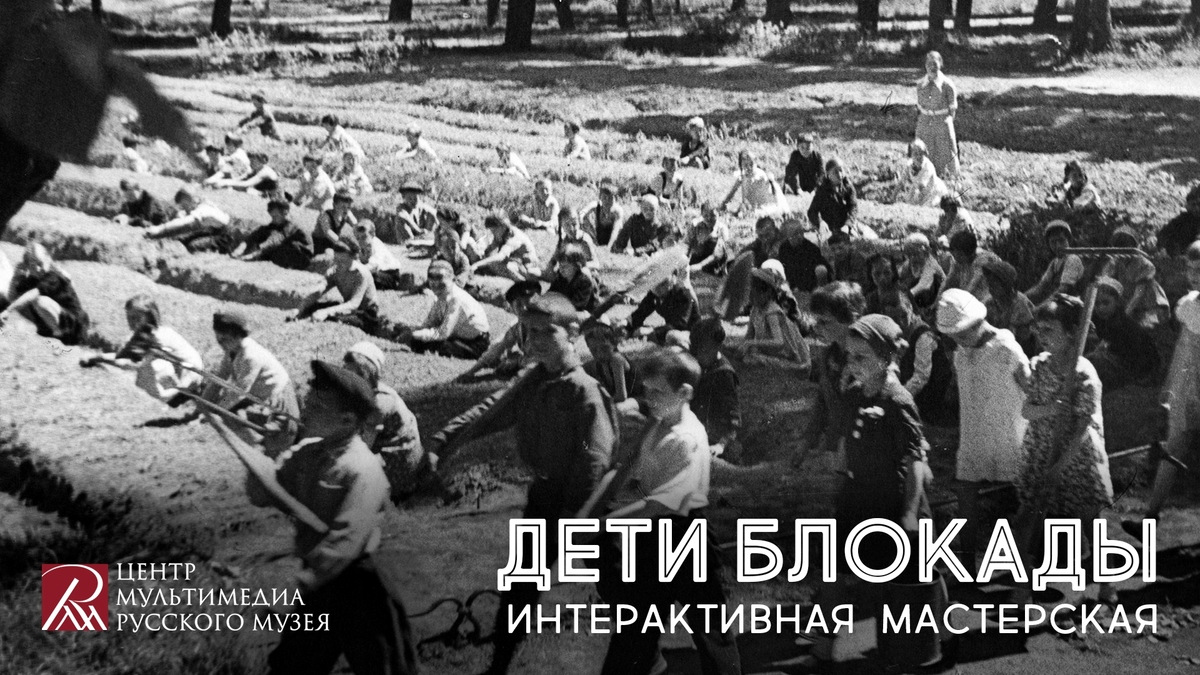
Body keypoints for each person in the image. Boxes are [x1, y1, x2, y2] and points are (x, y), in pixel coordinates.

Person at [424, 292, 617, 675]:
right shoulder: (534, 380)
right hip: (545, 498)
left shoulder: (584, 390)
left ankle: (653, 653)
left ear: (572, 333)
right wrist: (440, 442)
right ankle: (500, 664)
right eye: (529, 331)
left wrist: (575, 516)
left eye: (547, 331)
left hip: (585, 506)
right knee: (522, 586)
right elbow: (491, 411)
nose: (535, 340)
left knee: (619, 585)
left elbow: (596, 457)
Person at [246, 360, 418, 675]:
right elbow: (262, 494)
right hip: (321, 584)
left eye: (317, 406)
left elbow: (347, 538)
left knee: (385, 667)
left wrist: (303, 582)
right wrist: (268, 449)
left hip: (361, 586)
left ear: (347, 420)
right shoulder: (308, 454)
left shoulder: (363, 468)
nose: (305, 410)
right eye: (308, 402)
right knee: (291, 667)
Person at [595, 349, 743, 675]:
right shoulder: (660, 422)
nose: (648, 398)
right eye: (646, 389)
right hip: (653, 536)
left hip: (686, 537)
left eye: (657, 391)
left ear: (684, 393)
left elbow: (659, 504)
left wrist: (604, 524)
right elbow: (637, 472)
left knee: (709, 625)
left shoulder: (686, 438)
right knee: (637, 622)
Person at [1015, 296, 1114, 602]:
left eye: (1049, 329)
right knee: (1025, 519)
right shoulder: (1039, 366)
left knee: (1089, 521)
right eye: (1039, 329)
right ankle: (1022, 590)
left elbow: (1084, 427)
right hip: (1041, 451)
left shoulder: (1083, 374)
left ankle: (1107, 585)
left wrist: (1060, 466)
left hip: (1075, 457)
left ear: (1072, 332)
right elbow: (1027, 410)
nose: (1041, 335)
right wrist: (1051, 409)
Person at [936, 289, 1030, 574]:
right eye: (953, 335)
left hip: (1008, 436)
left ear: (977, 321)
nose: (958, 339)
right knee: (966, 496)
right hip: (973, 436)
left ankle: (1024, 564)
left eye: (962, 332)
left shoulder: (1007, 348)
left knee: (1018, 500)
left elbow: (1030, 388)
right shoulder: (961, 353)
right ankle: (966, 565)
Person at [1122, 241, 1200, 540]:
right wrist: (1171, 386)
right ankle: (1150, 519)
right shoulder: (1190, 305)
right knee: (1173, 449)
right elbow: (1183, 349)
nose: (1194, 276)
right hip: (1189, 386)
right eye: (1190, 269)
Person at [202, 310, 301, 456]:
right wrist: (204, 402)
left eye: (224, 339)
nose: (221, 343)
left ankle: (258, 452)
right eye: (218, 339)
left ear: (237, 336)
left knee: (275, 447)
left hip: (280, 406)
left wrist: (216, 409)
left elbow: (239, 392)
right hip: (260, 399)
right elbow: (220, 377)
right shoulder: (232, 351)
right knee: (228, 415)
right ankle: (254, 447)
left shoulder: (250, 356)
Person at [79, 294, 204, 404]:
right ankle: (182, 395)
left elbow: (127, 363)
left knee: (143, 372)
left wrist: (98, 357)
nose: (132, 322)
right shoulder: (160, 331)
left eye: (137, 318)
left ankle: (171, 398)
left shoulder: (153, 337)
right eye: (129, 318)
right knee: (150, 365)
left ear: (150, 317)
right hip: (192, 373)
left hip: (189, 377)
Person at [341, 342, 425, 504]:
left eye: (352, 374)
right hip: (384, 452)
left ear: (366, 375)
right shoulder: (364, 394)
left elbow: (362, 448)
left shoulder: (379, 402)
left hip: (397, 465)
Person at [806, 281, 866, 457]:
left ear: (850, 319)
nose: (817, 327)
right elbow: (823, 402)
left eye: (824, 322)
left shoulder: (866, 359)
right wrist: (807, 441)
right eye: (817, 321)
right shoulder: (830, 354)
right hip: (837, 441)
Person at [879, 289, 953, 425]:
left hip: (931, 394)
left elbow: (921, 377)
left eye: (903, 315)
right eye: (894, 319)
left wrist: (898, 396)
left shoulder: (923, 335)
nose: (900, 322)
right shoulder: (892, 332)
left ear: (911, 308)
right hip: (910, 389)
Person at [293, 238, 386, 337]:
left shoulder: (360, 274)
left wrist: (326, 312)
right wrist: (300, 308)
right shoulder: (335, 270)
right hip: (349, 307)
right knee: (314, 307)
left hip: (366, 312)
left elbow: (354, 304)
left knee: (333, 319)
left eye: (343, 261)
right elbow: (319, 291)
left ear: (353, 258)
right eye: (336, 260)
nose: (338, 264)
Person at [0, 242, 89, 345]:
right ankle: (52, 332)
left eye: (40, 263)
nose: (38, 269)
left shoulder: (54, 276)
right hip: (54, 322)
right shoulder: (33, 278)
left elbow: (33, 294)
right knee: (21, 300)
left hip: (74, 327)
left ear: (47, 259)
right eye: (33, 266)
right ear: (27, 266)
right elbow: (13, 297)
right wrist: (16, 276)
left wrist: (8, 310)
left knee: (38, 300)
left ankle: (58, 335)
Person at [733, 259, 810, 373]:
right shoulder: (755, 310)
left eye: (754, 295)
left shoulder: (772, 312)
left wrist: (751, 343)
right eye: (749, 295)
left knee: (752, 360)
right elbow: (749, 336)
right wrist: (741, 347)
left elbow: (779, 342)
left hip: (795, 361)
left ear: (767, 293)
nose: (751, 299)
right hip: (775, 355)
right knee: (731, 351)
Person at [457, 280, 541, 381]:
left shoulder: (548, 325)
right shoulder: (518, 328)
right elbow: (497, 348)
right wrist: (470, 372)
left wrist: (518, 361)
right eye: (518, 304)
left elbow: (545, 359)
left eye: (529, 302)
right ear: (512, 308)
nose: (524, 308)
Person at [1087, 277, 1160, 390]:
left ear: (1117, 302)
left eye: (1106, 303)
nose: (1100, 308)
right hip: (1122, 358)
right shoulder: (1102, 318)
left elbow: (1106, 346)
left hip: (1137, 367)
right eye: (1097, 304)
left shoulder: (1120, 322)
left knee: (1094, 360)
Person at [410, 260, 491, 359]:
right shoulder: (441, 296)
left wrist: (415, 334)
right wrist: (413, 331)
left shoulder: (456, 299)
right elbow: (431, 323)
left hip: (474, 343)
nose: (435, 282)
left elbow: (443, 333)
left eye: (440, 277)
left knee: (422, 344)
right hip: (456, 337)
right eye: (431, 276)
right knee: (419, 340)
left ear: (452, 278)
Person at [689, 317, 741, 461]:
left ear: (718, 347)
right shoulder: (698, 362)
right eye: (696, 351)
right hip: (695, 428)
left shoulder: (724, 375)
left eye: (705, 351)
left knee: (730, 453)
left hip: (717, 436)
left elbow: (733, 416)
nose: (699, 356)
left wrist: (721, 445)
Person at [1103, 227, 1169, 328]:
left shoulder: (1144, 264)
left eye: (1125, 244)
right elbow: (1104, 283)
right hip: (1132, 308)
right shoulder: (1115, 263)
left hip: (1151, 309)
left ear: (1133, 246)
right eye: (1118, 244)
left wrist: (1123, 317)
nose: (1121, 249)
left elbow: (1139, 294)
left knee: (1139, 329)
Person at [144, 187, 235, 254]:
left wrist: (159, 228)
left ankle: (219, 254)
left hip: (226, 236)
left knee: (193, 246)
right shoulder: (202, 203)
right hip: (216, 230)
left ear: (190, 201)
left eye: (184, 206)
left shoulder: (203, 209)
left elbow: (184, 222)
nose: (184, 210)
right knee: (185, 239)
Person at [231, 198, 315, 271]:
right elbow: (257, 233)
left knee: (276, 248)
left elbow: (275, 241)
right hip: (287, 250)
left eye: (275, 216)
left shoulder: (292, 224)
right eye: (272, 216)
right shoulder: (279, 222)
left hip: (302, 256)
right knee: (264, 232)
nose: (273, 219)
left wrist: (254, 255)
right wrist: (241, 247)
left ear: (285, 213)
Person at [626, 266, 701, 343]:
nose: (657, 287)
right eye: (654, 282)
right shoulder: (654, 294)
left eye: (663, 283)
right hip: (672, 329)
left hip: (690, 333)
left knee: (671, 336)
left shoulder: (683, 295)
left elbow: (679, 324)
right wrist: (627, 325)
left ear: (674, 277)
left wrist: (652, 330)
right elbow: (640, 313)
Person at [915, 50, 960, 178]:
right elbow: (920, 107)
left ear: (940, 64)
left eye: (935, 64)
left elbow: (952, 110)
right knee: (923, 148)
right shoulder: (920, 85)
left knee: (945, 150)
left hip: (942, 121)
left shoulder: (947, 85)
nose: (932, 67)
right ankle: (924, 176)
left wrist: (944, 122)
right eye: (929, 64)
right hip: (924, 122)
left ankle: (950, 177)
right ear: (925, 65)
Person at [981, 258, 1036, 354]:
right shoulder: (989, 303)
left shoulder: (1020, 304)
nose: (990, 288)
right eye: (989, 284)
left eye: (994, 284)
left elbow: (1025, 340)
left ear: (1006, 285)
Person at [1026, 220, 1085, 306]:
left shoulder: (1072, 259)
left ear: (1069, 240)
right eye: (1053, 242)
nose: (1058, 246)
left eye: (1061, 240)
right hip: (1058, 303)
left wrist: (1040, 307)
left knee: (1048, 309)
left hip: (1072, 305)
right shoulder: (1054, 263)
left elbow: (1063, 290)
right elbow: (1041, 287)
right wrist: (1022, 297)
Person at [474, 213, 542, 282]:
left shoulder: (514, 237)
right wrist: (484, 254)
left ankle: (524, 282)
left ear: (502, 226)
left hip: (527, 266)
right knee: (490, 261)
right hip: (516, 261)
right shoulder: (503, 232)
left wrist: (477, 265)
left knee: (503, 266)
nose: (493, 233)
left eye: (494, 231)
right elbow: (492, 247)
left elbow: (500, 257)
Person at [775, 218, 829, 306]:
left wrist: (801, 288)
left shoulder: (811, 249)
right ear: (787, 236)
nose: (799, 236)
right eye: (795, 234)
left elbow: (811, 273)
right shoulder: (783, 249)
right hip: (793, 284)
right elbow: (786, 269)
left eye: (801, 232)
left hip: (810, 284)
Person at [583, 318, 638, 403]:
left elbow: (621, 396)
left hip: (637, 400)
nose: (600, 354)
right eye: (594, 351)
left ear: (614, 344)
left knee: (617, 408)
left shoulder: (616, 359)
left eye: (605, 348)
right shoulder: (599, 364)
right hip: (623, 402)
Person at [939, 229, 1001, 304]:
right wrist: (937, 298)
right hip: (972, 297)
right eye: (955, 255)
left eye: (959, 255)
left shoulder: (983, 259)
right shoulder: (958, 260)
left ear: (969, 253)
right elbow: (948, 280)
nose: (956, 258)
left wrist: (959, 303)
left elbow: (972, 285)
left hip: (990, 298)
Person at [719, 150, 788, 217]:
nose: (749, 167)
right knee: (741, 211)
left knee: (750, 213)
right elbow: (731, 193)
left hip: (765, 207)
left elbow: (775, 194)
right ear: (741, 166)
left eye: (751, 164)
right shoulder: (742, 177)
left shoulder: (762, 176)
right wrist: (723, 205)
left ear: (756, 163)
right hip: (750, 207)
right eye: (745, 165)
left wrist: (780, 207)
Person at [807, 157, 858, 236]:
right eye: (835, 172)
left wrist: (848, 224)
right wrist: (820, 222)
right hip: (828, 228)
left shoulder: (848, 188)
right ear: (828, 175)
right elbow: (812, 212)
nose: (839, 175)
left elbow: (853, 207)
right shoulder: (822, 190)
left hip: (845, 226)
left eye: (841, 170)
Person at [352, 219, 406, 291]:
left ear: (372, 235)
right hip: (375, 271)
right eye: (358, 238)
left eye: (364, 237)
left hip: (390, 273)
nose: (361, 241)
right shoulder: (362, 247)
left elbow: (374, 265)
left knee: (369, 277)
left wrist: (357, 271)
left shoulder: (376, 245)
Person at [896, 139, 949, 208]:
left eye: (921, 153)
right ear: (911, 154)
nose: (918, 156)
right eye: (915, 153)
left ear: (924, 154)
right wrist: (893, 197)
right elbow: (901, 182)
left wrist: (910, 202)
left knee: (925, 208)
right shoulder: (909, 165)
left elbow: (920, 187)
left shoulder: (928, 167)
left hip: (935, 193)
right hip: (922, 194)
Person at [899, 232, 944, 312]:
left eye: (917, 254)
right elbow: (899, 278)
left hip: (935, 300)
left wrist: (906, 297)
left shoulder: (931, 264)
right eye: (910, 254)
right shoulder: (909, 264)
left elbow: (923, 285)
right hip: (917, 298)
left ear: (926, 252)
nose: (913, 258)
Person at [547, 243, 599, 312]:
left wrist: (557, 306)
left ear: (576, 266)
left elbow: (578, 305)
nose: (561, 269)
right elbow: (551, 293)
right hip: (565, 309)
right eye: (560, 266)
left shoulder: (584, 281)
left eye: (565, 266)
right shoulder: (560, 278)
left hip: (584, 312)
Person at [686, 203, 732, 276]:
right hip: (698, 257)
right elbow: (688, 244)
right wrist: (685, 260)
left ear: (718, 214)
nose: (709, 218)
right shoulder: (696, 226)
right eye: (706, 215)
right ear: (702, 214)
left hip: (713, 261)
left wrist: (700, 265)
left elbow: (718, 253)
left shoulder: (722, 228)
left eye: (713, 215)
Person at [1155, 183, 1200, 258]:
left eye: (1199, 204)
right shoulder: (1184, 218)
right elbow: (1165, 232)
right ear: (1188, 206)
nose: (1196, 208)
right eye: (1193, 205)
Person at [211, 150, 281, 197]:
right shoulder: (255, 169)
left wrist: (226, 183)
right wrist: (223, 181)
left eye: (254, 161)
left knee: (242, 188)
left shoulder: (265, 172)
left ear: (261, 162)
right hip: (261, 192)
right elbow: (240, 179)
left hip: (272, 195)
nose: (251, 163)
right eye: (251, 161)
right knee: (236, 186)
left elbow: (246, 184)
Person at [313, 189, 358, 256]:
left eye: (349, 207)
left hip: (332, 242)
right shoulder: (325, 216)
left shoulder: (346, 213)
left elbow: (356, 225)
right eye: (343, 207)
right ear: (334, 205)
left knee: (353, 250)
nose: (346, 210)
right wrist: (345, 245)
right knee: (331, 253)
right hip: (318, 243)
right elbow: (329, 233)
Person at [582, 180, 624, 246]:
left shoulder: (617, 211)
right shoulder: (595, 205)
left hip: (614, 239)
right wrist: (591, 234)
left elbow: (615, 231)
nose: (607, 201)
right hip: (599, 236)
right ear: (600, 198)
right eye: (604, 198)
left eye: (610, 198)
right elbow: (582, 214)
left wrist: (608, 247)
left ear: (614, 199)